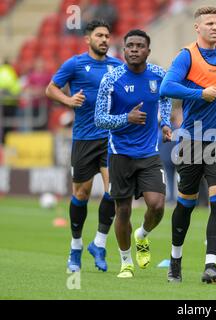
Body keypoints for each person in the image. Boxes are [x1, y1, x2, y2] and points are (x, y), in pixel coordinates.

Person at [160, 6, 216, 284]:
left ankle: (211, 265)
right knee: (185, 204)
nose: (215, 27)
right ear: (197, 27)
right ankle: (175, 259)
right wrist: (200, 93)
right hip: (192, 139)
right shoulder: (187, 56)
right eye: (209, 23)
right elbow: (166, 87)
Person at [45, 20, 123, 273]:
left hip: (110, 138)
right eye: (99, 35)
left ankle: (99, 243)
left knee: (115, 191)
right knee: (81, 194)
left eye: (107, 35)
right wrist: (68, 100)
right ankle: (76, 246)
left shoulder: (117, 66)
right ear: (88, 40)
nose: (104, 39)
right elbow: (50, 88)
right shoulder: (75, 64)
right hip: (83, 138)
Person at [95, 29, 172, 278]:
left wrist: (165, 122)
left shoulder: (159, 76)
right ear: (124, 50)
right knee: (123, 211)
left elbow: (167, 98)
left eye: (140, 45)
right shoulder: (111, 79)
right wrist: (125, 118)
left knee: (157, 205)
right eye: (130, 46)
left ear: (148, 51)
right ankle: (126, 261)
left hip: (149, 153)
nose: (135, 49)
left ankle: (142, 235)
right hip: (120, 153)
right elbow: (99, 119)